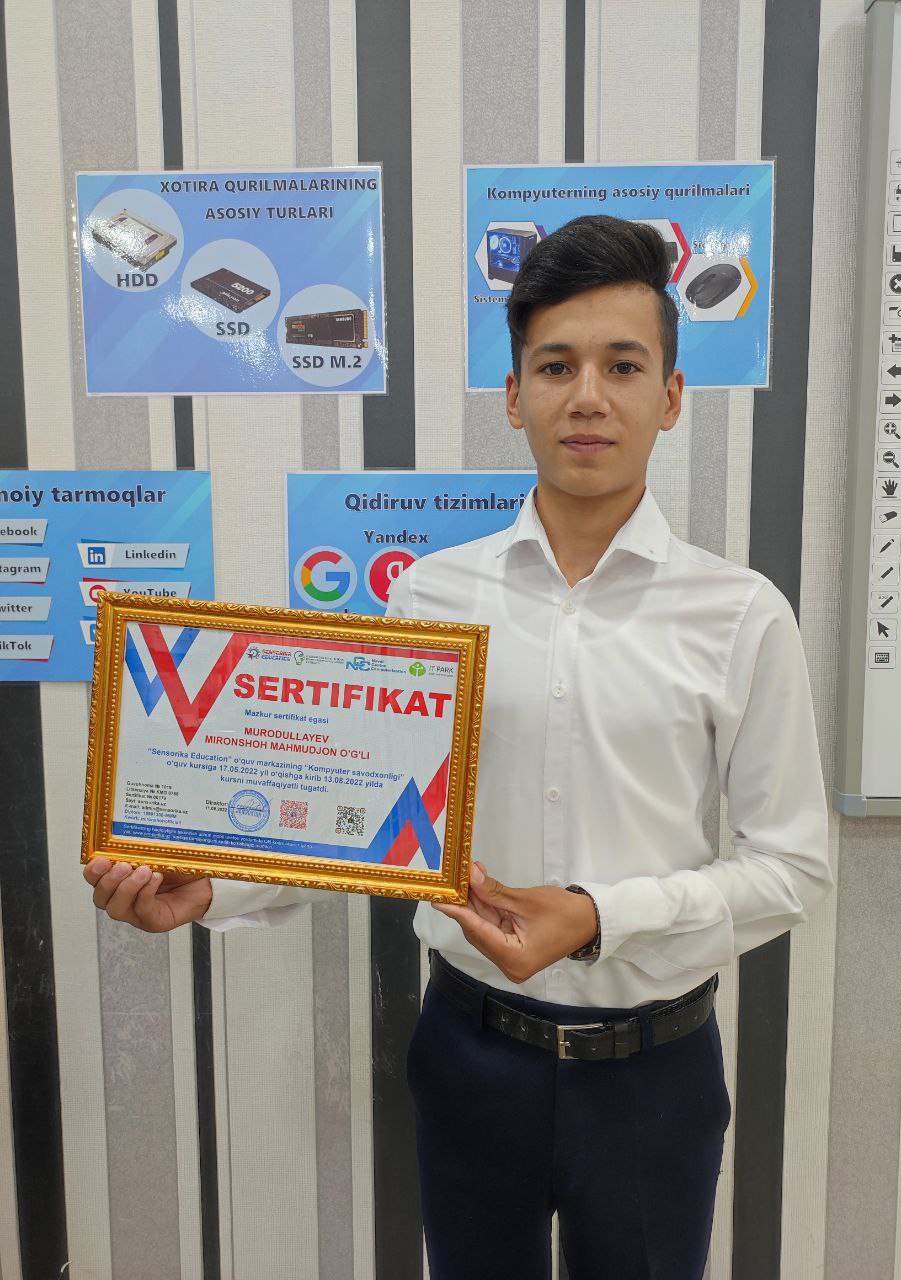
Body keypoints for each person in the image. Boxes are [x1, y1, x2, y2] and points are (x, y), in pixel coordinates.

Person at [85, 215, 832, 1279]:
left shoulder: (741, 613)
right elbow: (355, 814)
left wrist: (597, 915)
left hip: (655, 1072)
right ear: (513, 394)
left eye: (623, 366)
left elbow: (791, 868)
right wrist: (211, 884)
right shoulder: (431, 600)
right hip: (471, 1054)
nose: (588, 396)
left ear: (670, 396)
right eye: (556, 365)